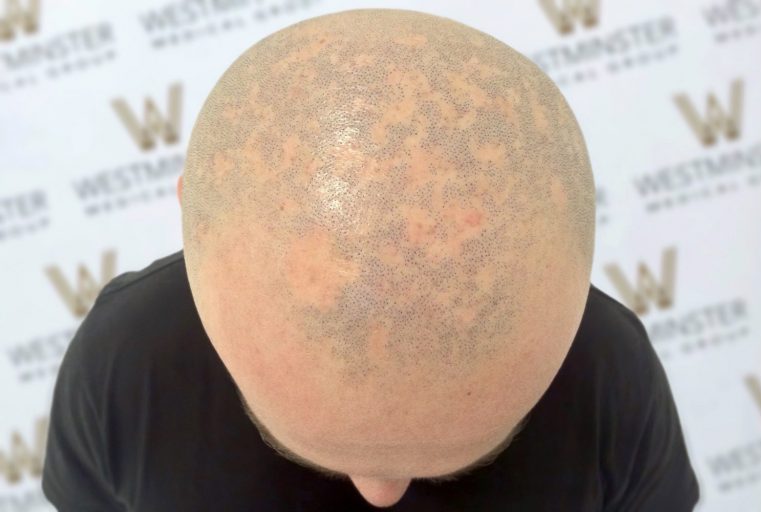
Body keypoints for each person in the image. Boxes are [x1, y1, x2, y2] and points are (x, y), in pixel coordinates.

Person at [41, 8, 700, 511]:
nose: (381, 494)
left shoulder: (609, 377)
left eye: (455, 457)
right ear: (194, 226)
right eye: (314, 447)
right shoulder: (125, 366)